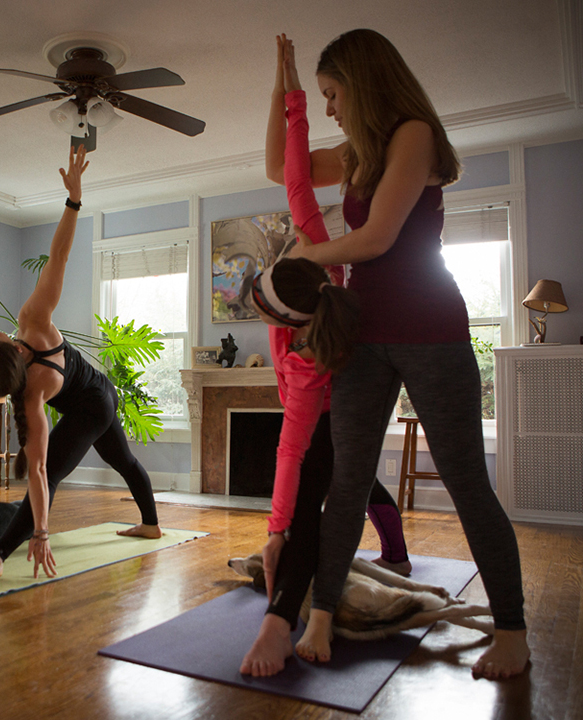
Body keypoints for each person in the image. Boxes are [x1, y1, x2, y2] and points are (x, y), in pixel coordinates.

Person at [278, 29, 529, 679]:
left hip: (432, 331)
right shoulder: (356, 153)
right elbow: (283, 165)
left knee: (468, 481)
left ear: (361, 82)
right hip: (366, 337)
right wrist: (288, 85)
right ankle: (325, 614)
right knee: (348, 480)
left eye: (333, 93)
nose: (330, 108)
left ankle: (512, 630)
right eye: (324, 97)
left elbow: (378, 237)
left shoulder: (411, 135)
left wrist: (303, 256)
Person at [239, 35, 410, 678]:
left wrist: (277, 529)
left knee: (337, 476)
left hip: (344, 393)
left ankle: (364, 563)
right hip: (338, 387)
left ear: (284, 323)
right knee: (351, 474)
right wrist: (291, 90)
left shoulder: (308, 367)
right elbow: (293, 178)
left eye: (260, 297)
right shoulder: (314, 256)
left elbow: (287, 449)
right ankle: (393, 547)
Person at [0, 145, 161, 581]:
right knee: (121, 462)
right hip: (97, 400)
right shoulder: (32, 332)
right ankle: (150, 524)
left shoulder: (30, 383)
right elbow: (39, 471)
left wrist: (74, 198)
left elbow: (59, 256)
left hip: (98, 398)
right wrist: (42, 531)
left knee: (112, 463)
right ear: (3, 347)